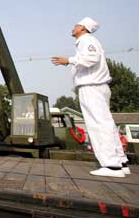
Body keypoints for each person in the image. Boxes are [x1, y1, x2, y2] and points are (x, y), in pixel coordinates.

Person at [52, 17, 129, 178]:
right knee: (107, 123)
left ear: (84, 28)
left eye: (77, 25)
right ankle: (121, 162)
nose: (74, 28)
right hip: (95, 87)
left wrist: (69, 60)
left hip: (92, 87)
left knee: (98, 124)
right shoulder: (85, 42)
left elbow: (91, 59)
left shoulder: (87, 40)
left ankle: (111, 166)